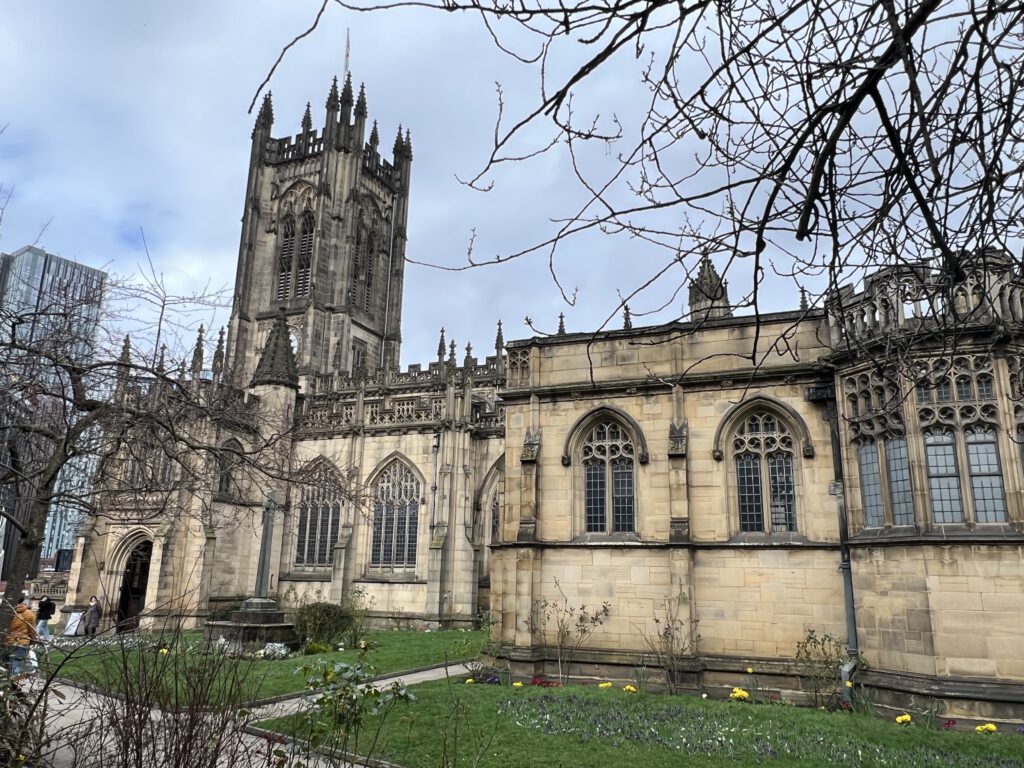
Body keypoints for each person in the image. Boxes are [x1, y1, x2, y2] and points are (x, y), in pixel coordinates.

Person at [6, 602, 37, 676]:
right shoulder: (29, 613)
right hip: (23, 640)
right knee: (18, 659)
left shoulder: (6, 611)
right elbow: (32, 629)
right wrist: (32, 639)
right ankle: (25, 673)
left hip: (8, 640)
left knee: (12, 660)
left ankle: (16, 674)